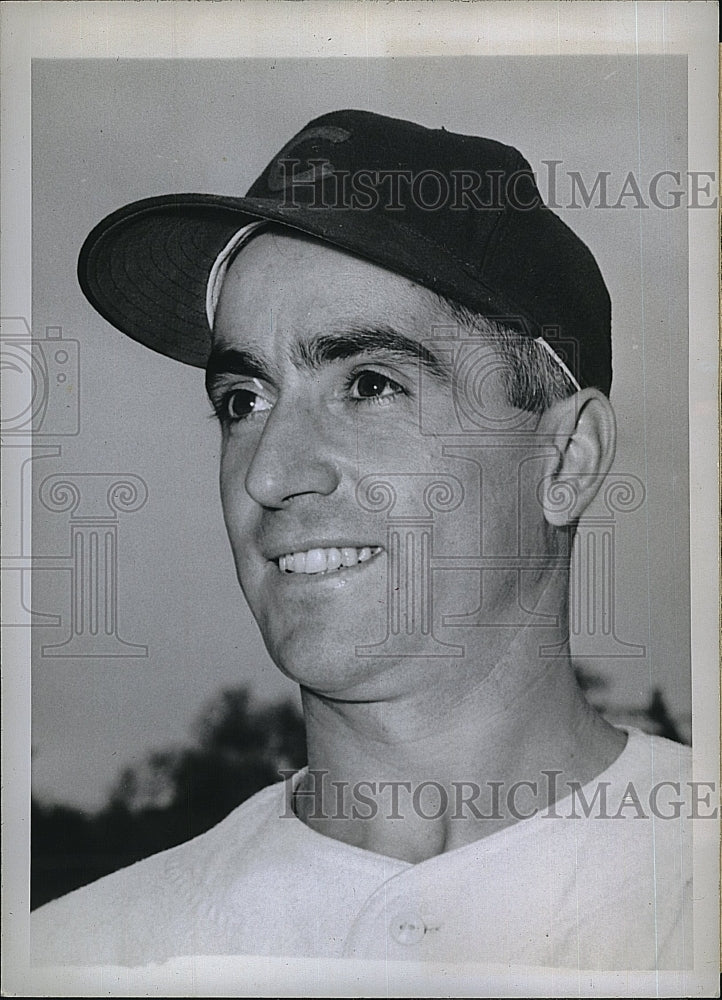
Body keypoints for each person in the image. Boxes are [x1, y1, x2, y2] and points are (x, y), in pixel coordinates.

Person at [31, 109, 691, 970]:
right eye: (244, 400)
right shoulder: (78, 957)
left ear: (567, 457)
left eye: (371, 384)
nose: (269, 472)